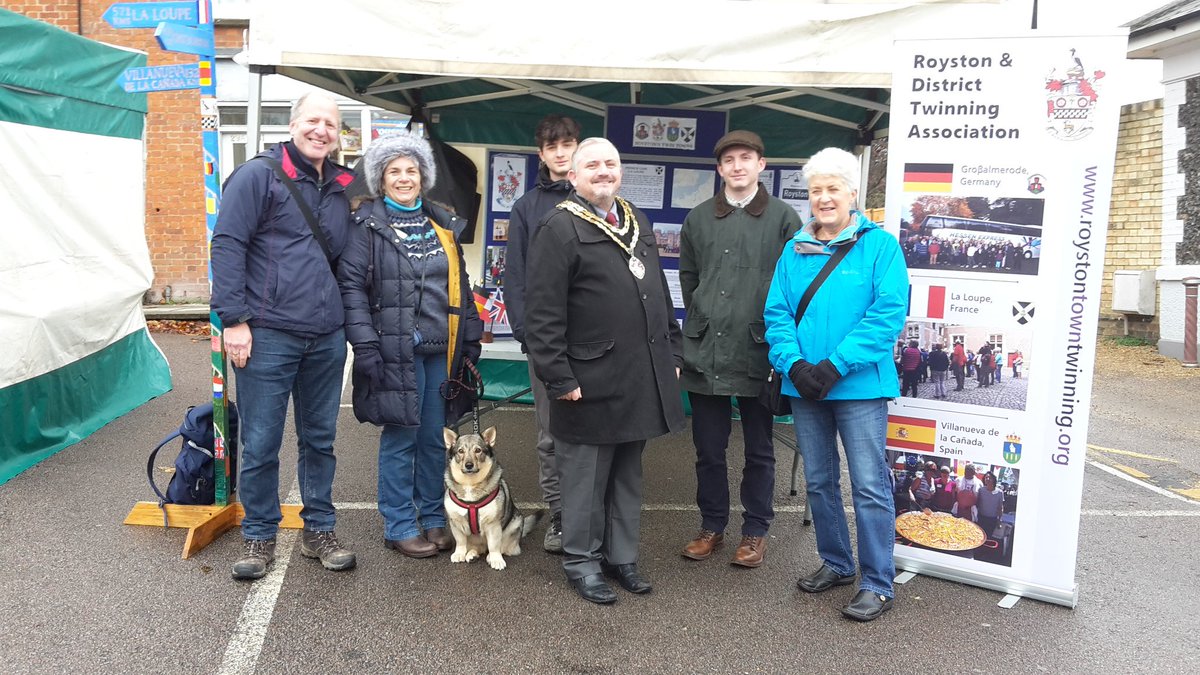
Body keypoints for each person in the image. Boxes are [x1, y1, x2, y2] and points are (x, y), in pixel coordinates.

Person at [525, 138, 685, 605]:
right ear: (572, 176)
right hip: (587, 380)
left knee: (626, 477)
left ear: (620, 172)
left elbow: (657, 292)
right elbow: (542, 315)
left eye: (610, 164)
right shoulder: (558, 227)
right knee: (584, 480)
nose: (603, 171)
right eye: (591, 164)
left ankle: (621, 558)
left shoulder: (635, 219)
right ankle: (581, 561)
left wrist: (672, 354)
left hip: (639, 376)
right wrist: (559, 377)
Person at [212, 92, 357, 580]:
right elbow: (228, 244)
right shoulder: (258, 175)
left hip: (325, 335)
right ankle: (259, 535)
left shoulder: (341, 187)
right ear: (293, 124)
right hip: (268, 332)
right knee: (261, 440)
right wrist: (233, 320)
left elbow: (345, 260)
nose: (321, 130)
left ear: (340, 134)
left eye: (331, 124)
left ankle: (320, 529)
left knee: (320, 439)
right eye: (313, 121)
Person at [764, 147, 909, 622]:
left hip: (859, 387)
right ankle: (836, 562)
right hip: (806, 386)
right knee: (820, 480)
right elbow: (777, 313)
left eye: (833, 189)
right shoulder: (794, 248)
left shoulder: (880, 246)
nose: (823, 199)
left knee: (868, 485)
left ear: (852, 193)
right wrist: (796, 364)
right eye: (815, 190)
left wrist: (835, 365)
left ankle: (877, 582)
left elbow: (887, 314)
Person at [338, 130, 483, 558]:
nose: (404, 178)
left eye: (411, 170)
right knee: (402, 437)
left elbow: (461, 287)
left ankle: (435, 519)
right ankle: (399, 524)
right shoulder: (366, 226)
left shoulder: (443, 224)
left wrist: (471, 339)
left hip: (443, 349)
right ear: (381, 181)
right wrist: (365, 345)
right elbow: (351, 288)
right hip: (393, 350)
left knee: (435, 439)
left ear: (423, 177)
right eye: (394, 172)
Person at [678, 130, 801, 568]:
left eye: (746, 158)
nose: (737, 166)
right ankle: (711, 525)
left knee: (759, 449)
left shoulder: (785, 219)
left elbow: (795, 286)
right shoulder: (697, 219)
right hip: (704, 351)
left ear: (761, 165)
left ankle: (755, 531)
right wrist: (705, 317)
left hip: (759, 351)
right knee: (708, 449)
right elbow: (689, 280)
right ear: (719, 169)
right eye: (728, 159)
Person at [505, 114, 581, 554]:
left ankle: (590, 514)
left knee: (593, 433)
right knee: (551, 434)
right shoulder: (526, 207)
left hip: (595, 342)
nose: (560, 152)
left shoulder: (595, 199)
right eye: (552, 146)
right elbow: (514, 277)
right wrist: (527, 333)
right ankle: (559, 515)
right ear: (542, 154)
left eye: (567, 144)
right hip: (546, 342)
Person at [977, 472, 1005, 537]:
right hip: (981, 518)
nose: (988, 479)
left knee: (988, 537)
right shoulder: (981, 490)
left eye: (990, 477)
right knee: (979, 536)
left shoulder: (999, 492)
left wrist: (1000, 520)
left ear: (994, 479)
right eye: (986, 477)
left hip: (992, 520)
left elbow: (1000, 507)